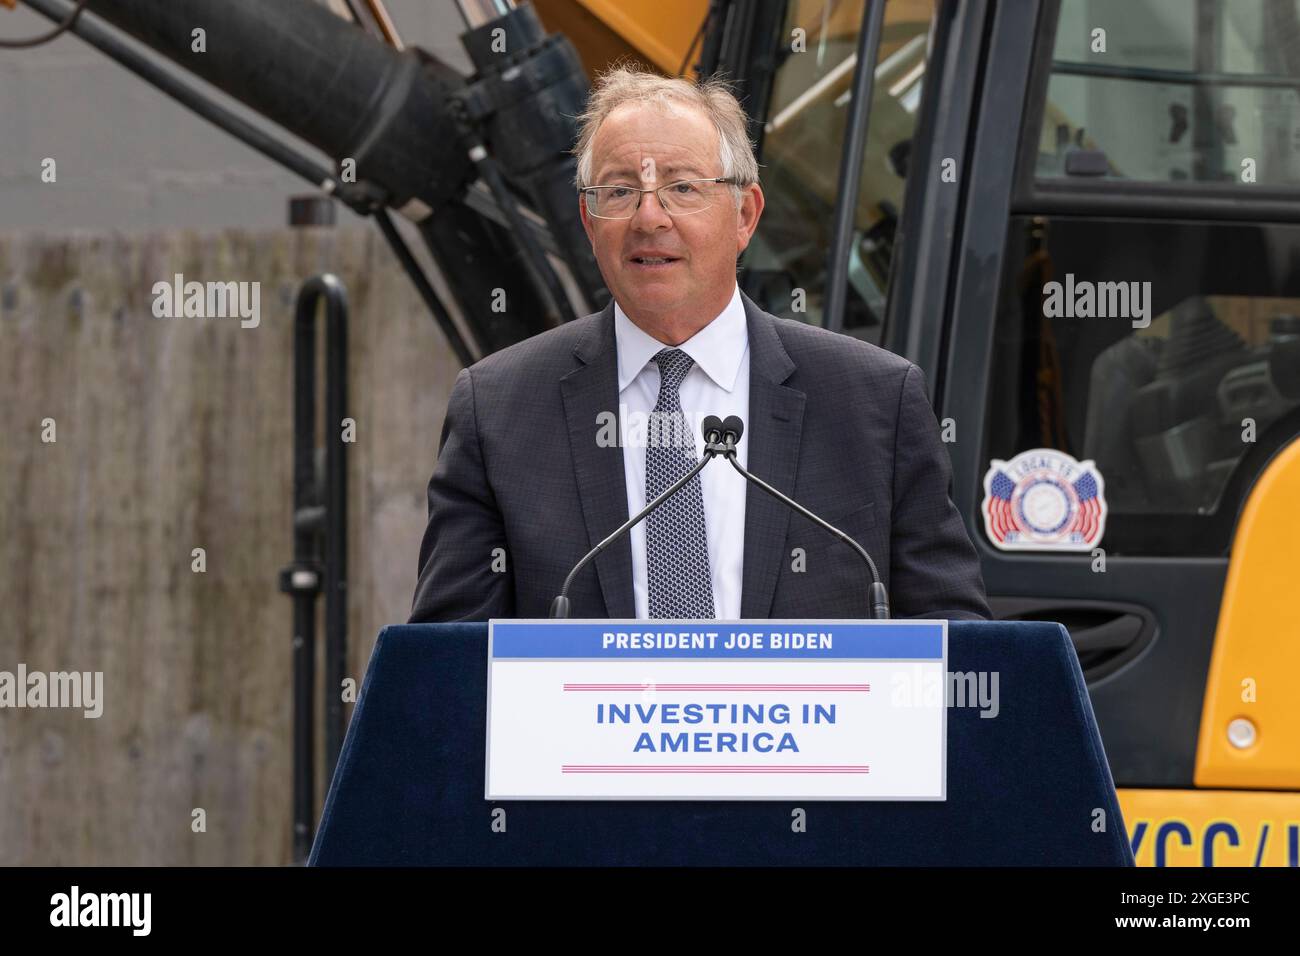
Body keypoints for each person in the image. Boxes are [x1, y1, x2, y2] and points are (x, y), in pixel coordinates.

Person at [410, 66, 990, 622]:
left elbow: (953, 637)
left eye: (682, 187)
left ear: (745, 213)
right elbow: (449, 664)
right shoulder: (496, 409)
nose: (648, 217)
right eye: (618, 192)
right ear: (589, 223)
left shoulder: (875, 402)